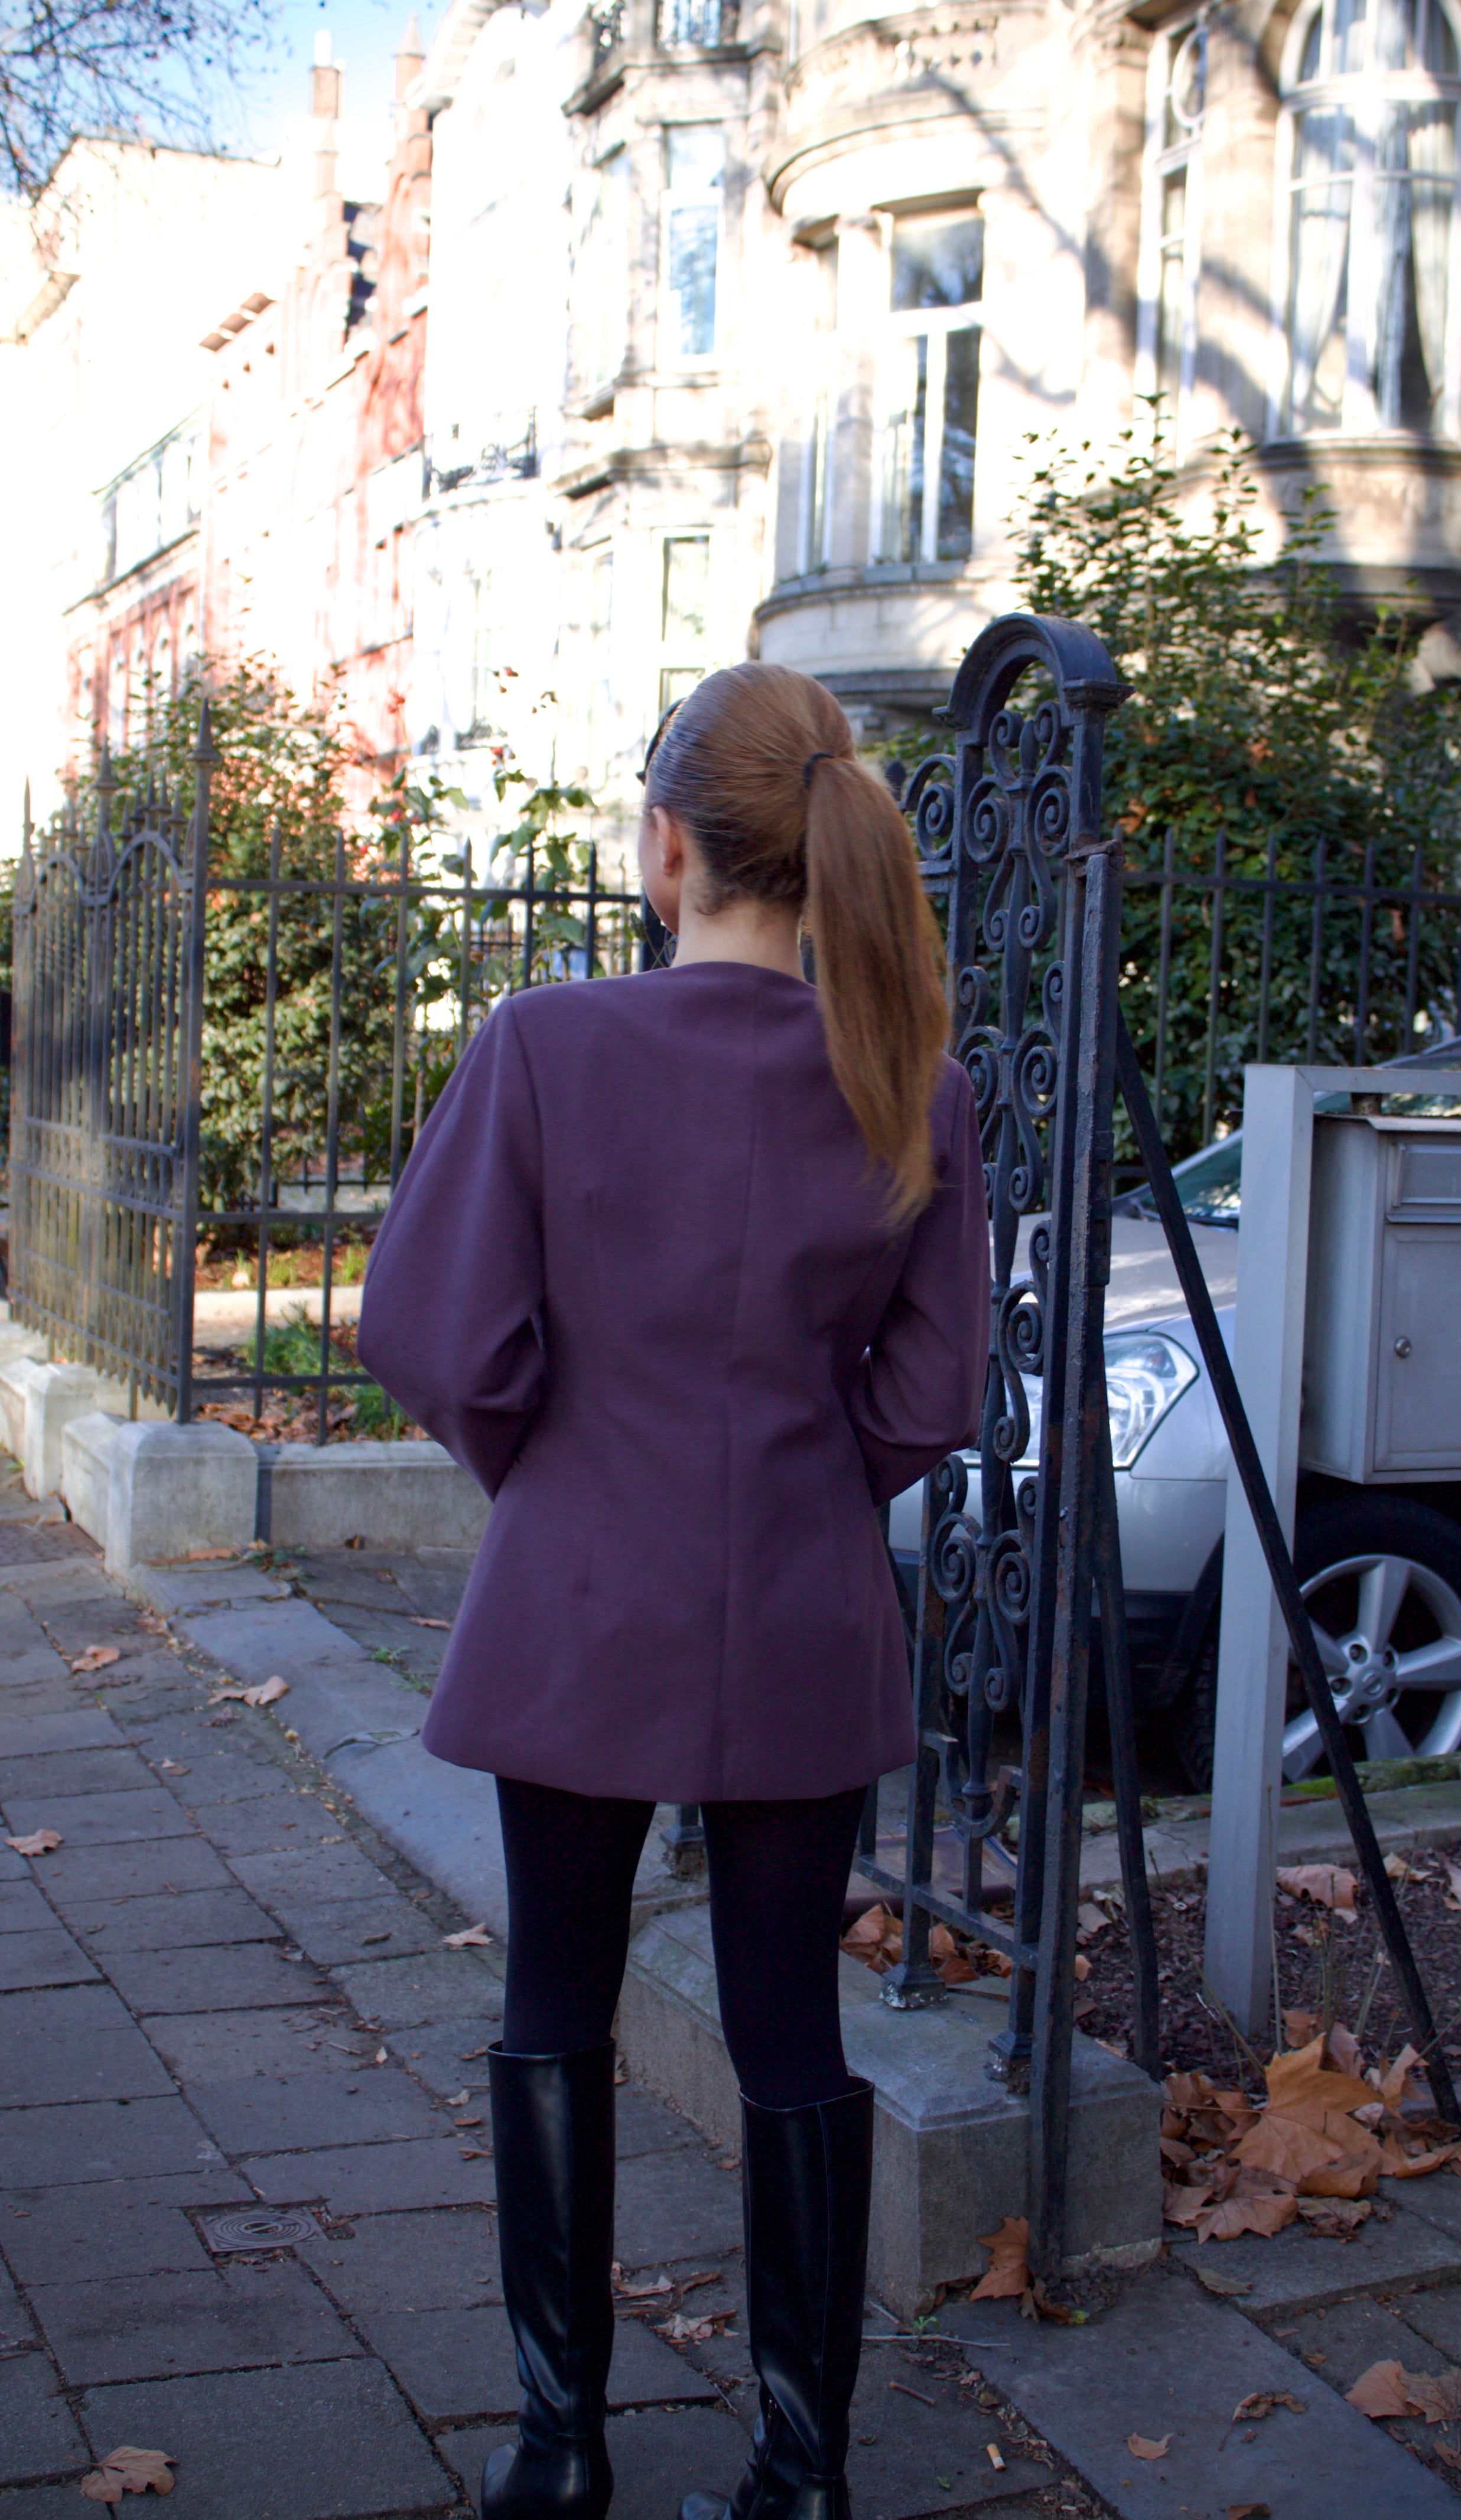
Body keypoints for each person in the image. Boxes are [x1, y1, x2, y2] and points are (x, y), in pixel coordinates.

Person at [357, 660, 991, 2520]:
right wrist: (794, 1482)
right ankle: (805, 2473)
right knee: (795, 2023)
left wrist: (559, 1475)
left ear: (667, 849)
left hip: (579, 1598)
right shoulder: (911, 1081)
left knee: (556, 1996)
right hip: (801, 1605)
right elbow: (932, 1394)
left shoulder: (544, 1047)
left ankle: (561, 2453)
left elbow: (432, 1329)